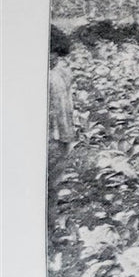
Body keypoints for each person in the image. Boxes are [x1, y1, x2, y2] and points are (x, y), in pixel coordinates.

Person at [49, 26, 78, 171]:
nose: (54, 58)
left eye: (55, 54)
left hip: (60, 133)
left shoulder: (60, 75)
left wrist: (67, 137)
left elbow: (65, 107)